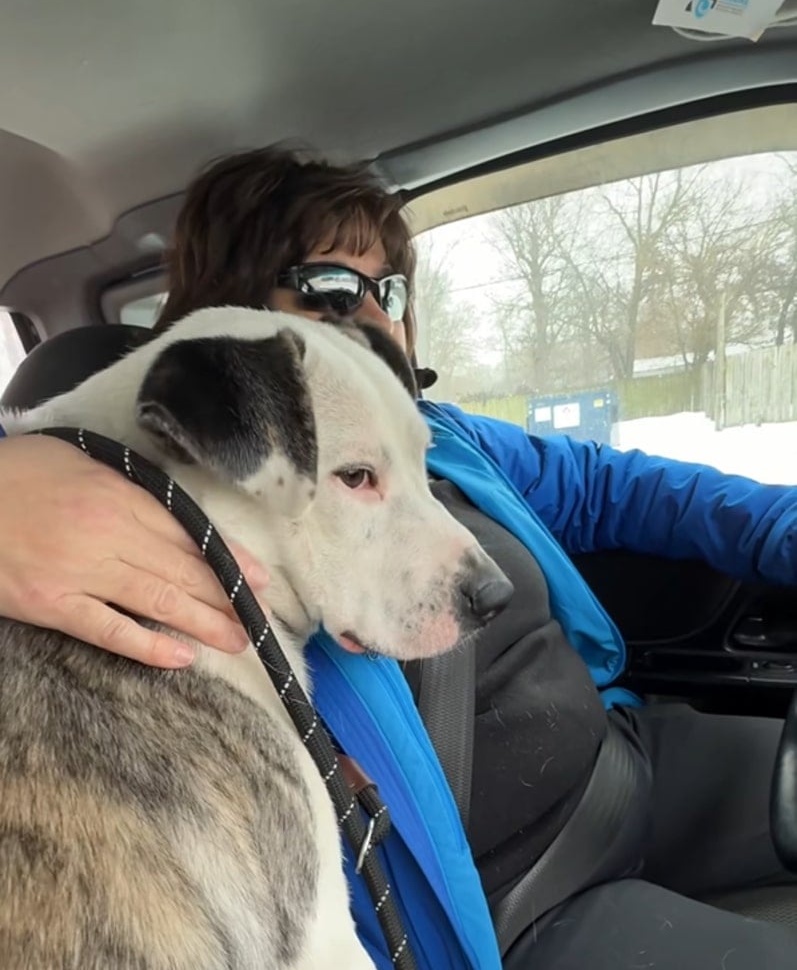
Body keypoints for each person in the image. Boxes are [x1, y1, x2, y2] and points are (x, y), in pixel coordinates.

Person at [1, 146, 796, 969]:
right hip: (516, 896)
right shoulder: (121, 485)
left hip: (620, 764)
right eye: (334, 286)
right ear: (231, 300)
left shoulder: (442, 432)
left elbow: (620, 489)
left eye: (392, 287)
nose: (375, 314)